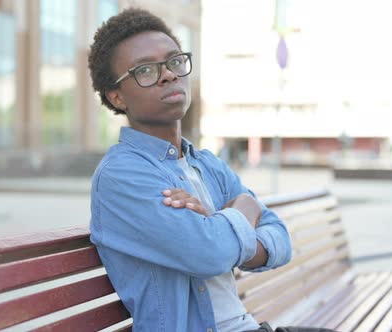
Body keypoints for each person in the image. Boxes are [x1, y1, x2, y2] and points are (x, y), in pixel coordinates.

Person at [88, 8, 336, 332]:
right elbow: (209, 253)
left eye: (175, 61)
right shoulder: (120, 176)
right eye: (146, 70)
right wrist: (243, 210)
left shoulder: (207, 164)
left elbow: (281, 240)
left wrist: (219, 227)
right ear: (117, 96)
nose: (168, 75)